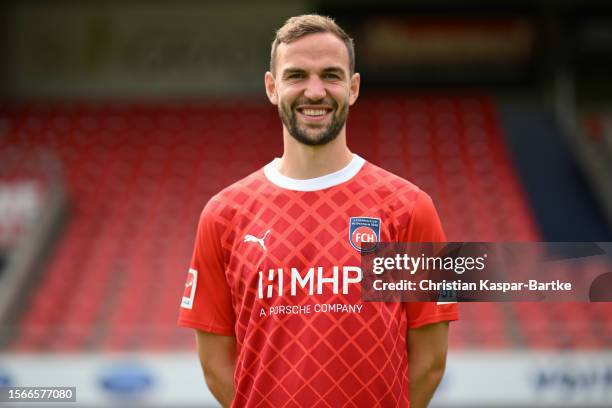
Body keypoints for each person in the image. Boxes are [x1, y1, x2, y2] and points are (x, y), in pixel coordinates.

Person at [178, 14, 458, 408]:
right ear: (272, 88)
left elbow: (430, 361)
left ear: (353, 87)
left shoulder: (408, 208)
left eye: (330, 74)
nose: (315, 91)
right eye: (296, 76)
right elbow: (215, 365)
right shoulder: (224, 215)